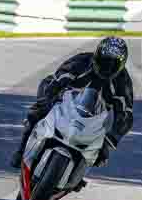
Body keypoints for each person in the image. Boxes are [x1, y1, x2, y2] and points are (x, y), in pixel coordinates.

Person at [10, 37, 134, 171]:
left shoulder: (123, 81)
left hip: (94, 119)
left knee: (102, 153)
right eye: (104, 61)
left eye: (113, 64)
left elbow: (126, 114)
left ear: (121, 66)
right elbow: (60, 77)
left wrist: (110, 140)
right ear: (97, 55)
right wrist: (49, 97)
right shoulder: (82, 61)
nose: (107, 67)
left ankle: (79, 170)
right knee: (39, 109)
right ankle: (21, 150)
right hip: (66, 102)